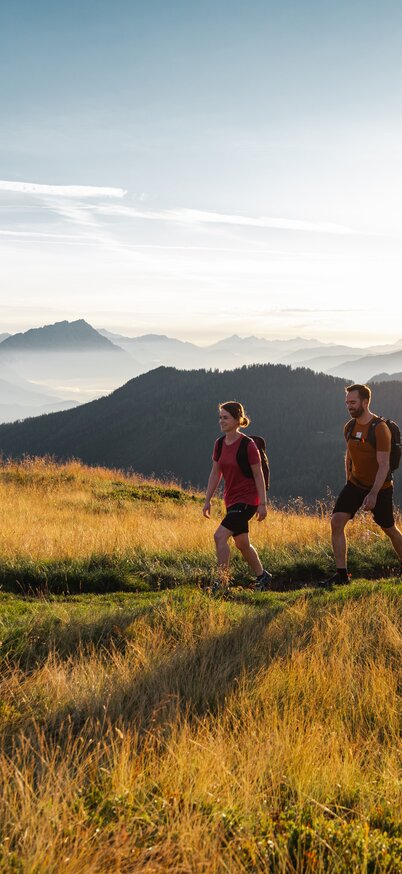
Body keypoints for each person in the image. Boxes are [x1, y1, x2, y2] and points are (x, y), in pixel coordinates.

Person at [321, 383, 402, 586]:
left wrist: (373, 494)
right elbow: (349, 455)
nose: (349, 406)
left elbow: (384, 466)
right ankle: (342, 575)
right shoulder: (349, 427)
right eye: (347, 402)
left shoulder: (380, 429)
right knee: (336, 522)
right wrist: (349, 481)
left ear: (365, 402)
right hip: (355, 484)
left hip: (380, 487)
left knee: (389, 528)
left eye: (353, 402)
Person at [203, 400, 272, 594]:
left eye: (225, 418)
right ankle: (263, 576)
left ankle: (222, 584)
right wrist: (207, 500)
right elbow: (215, 473)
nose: (221, 421)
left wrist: (263, 504)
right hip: (231, 500)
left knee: (219, 536)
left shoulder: (248, 445)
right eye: (220, 417)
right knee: (242, 543)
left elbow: (258, 475)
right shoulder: (219, 444)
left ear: (237, 419)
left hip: (248, 500)